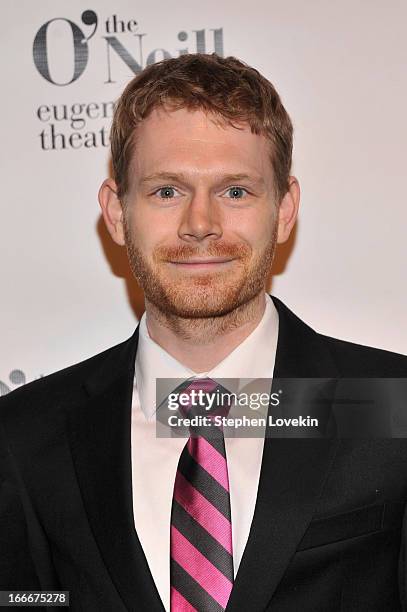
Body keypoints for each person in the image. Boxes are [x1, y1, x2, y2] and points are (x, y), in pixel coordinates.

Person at [1, 53, 407, 612]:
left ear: (285, 210)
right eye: (167, 191)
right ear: (117, 213)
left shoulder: (391, 404)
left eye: (235, 191)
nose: (200, 225)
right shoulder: (25, 436)